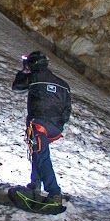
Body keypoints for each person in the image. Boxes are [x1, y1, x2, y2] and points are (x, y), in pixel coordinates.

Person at [12, 50, 71, 204]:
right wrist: (58, 124)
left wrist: (23, 72)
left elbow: (17, 87)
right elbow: (67, 111)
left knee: (41, 156)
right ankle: (34, 185)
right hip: (55, 128)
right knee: (38, 153)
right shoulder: (63, 85)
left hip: (38, 123)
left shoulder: (35, 77)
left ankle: (54, 193)